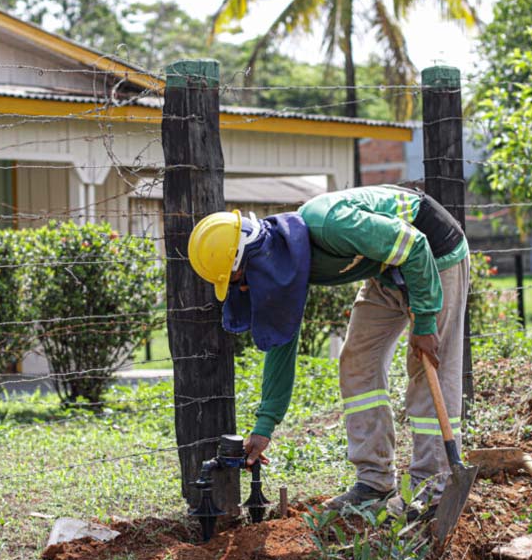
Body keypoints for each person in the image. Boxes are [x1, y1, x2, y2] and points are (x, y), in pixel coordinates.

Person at [187, 185, 469, 516]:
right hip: (388, 270)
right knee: (357, 362)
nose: (244, 288)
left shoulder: (328, 224)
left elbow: (414, 245)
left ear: (250, 256)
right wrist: (265, 426)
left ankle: (432, 487)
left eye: (238, 279)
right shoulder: (284, 265)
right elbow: (282, 341)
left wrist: (424, 321)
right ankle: (375, 482)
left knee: (427, 367)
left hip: (433, 256)